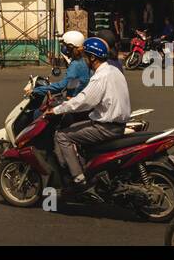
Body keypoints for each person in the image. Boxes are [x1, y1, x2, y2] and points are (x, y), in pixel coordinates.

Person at [48, 37, 131, 193]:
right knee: (74, 127)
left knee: (62, 136)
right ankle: (87, 167)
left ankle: (78, 180)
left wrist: (57, 110)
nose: (84, 59)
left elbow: (85, 101)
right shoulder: (113, 70)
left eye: (85, 56)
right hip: (116, 123)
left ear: (92, 57)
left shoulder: (101, 76)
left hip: (105, 127)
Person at [35, 31, 90, 99]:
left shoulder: (75, 64)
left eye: (65, 45)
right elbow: (73, 83)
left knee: (41, 110)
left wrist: (36, 90)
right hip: (79, 97)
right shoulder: (84, 61)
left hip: (73, 100)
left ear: (70, 47)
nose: (63, 47)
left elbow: (62, 86)